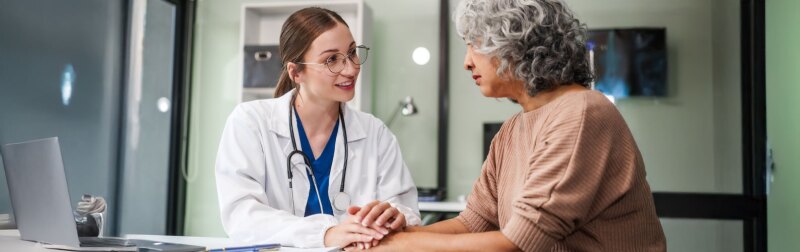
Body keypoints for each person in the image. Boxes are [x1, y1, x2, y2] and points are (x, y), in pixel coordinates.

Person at [358, 0, 667, 251]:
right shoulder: (510, 132)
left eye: (474, 44)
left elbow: (519, 243)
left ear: (516, 43)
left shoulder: (582, 112)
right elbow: (472, 222)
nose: (467, 62)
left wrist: (399, 243)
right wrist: (396, 233)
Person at [215, 7, 421, 249]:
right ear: (296, 72)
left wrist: (395, 216)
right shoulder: (251, 123)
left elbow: (405, 209)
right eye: (331, 59)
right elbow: (241, 216)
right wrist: (325, 233)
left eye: (352, 53)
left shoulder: (375, 133)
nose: (351, 68)